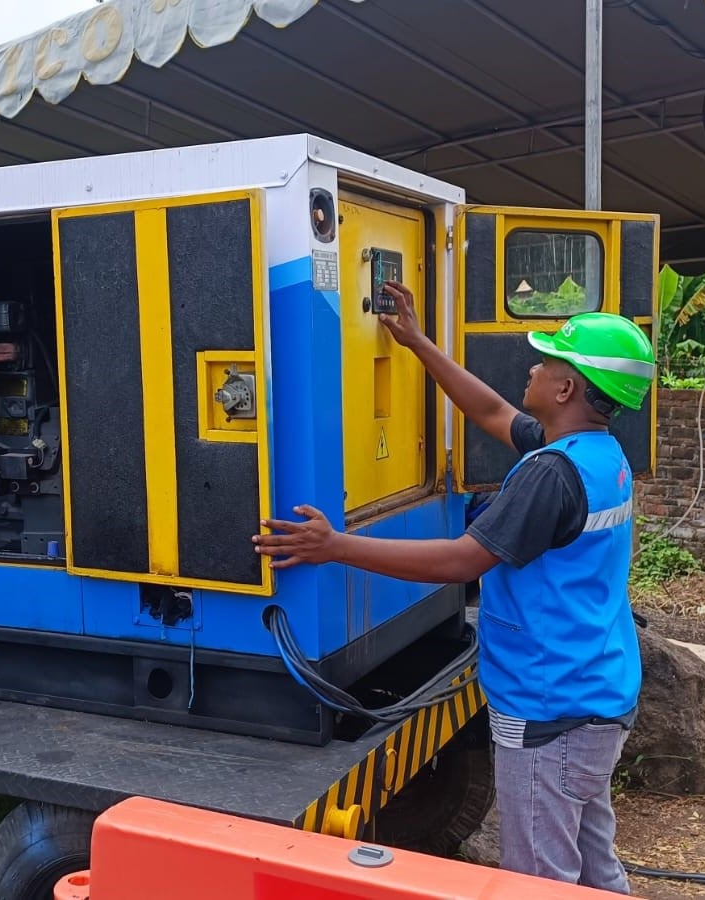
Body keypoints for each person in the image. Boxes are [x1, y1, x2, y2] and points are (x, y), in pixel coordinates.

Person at [251, 281, 655, 895]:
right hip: (595, 692)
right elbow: (492, 412)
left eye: (547, 362)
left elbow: (460, 561)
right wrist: (416, 343)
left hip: (551, 707)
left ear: (567, 388)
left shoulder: (551, 475)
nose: (533, 367)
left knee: (541, 881)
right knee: (592, 863)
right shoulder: (598, 454)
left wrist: (335, 547)